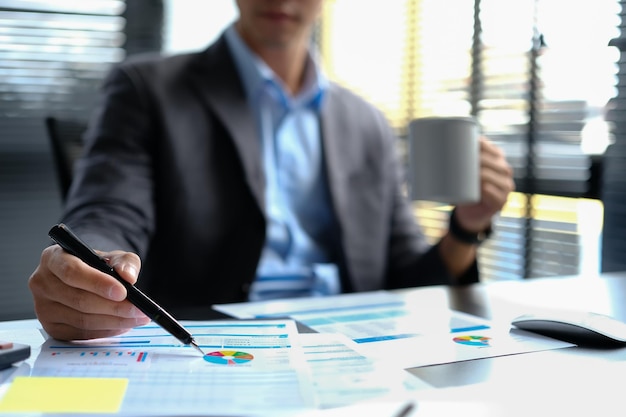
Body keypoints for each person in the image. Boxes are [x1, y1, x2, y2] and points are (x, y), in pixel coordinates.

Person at [28, 0, 514, 341]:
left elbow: (410, 278)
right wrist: (89, 260)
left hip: (351, 350)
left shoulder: (366, 122)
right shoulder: (147, 89)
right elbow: (109, 205)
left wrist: (466, 227)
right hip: (211, 342)